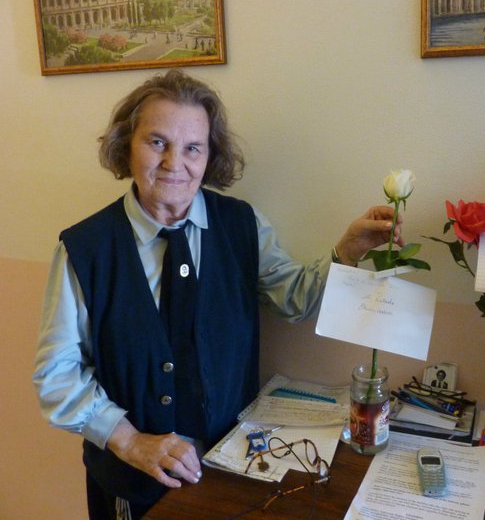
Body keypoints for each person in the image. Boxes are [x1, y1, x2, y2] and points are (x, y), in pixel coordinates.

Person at [32, 69, 403, 520]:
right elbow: (57, 375)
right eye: (157, 142)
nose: (174, 162)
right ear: (126, 145)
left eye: (193, 148)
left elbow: (295, 300)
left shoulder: (241, 225)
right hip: (130, 485)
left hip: (233, 474)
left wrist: (347, 251)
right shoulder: (85, 248)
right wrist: (129, 441)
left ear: (210, 156)